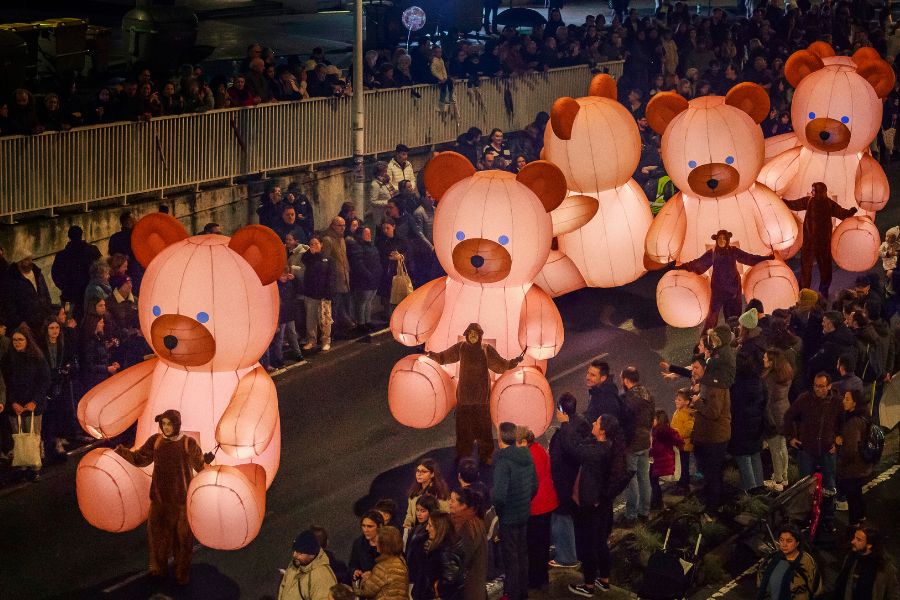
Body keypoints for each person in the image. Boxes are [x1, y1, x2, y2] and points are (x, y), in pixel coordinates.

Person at [114, 410, 213, 585]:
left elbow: (200, 467)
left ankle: (181, 573)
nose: (166, 428)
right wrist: (122, 452)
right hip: (159, 500)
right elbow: (140, 459)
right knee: (157, 536)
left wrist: (206, 460)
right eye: (163, 424)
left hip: (181, 502)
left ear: (177, 425)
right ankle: (158, 569)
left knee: (182, 539)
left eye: (169, 424)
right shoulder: (156, 441)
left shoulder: (188, 444)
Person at [427, 323, 523, 464]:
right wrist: (432, 355)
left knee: (484, 429)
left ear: (480, 336)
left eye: (475, 333)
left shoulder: (486, 349)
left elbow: (500, 365)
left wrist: (513, 362)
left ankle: (486, 455)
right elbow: (444, 357)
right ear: (466, 334)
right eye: (470, 333)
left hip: (481, 399)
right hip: (464, 399)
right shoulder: (461, 347)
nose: (472, 335)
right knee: (463, 430)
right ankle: (463, 454)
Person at [569, 414, 630, 597]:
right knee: (600, 543)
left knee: (589, 545)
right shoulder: (609, 447)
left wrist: (566, 425)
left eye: (596, 423)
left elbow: (574, 450)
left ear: (602, 431)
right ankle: (604, 579)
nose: (593, 424)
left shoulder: (599, 450)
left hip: (591, 504)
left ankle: (588, 585)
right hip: (602, 504)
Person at [678, 229, 773, 329]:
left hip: (733, 290)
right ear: (716, 240)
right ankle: (707, 338)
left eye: (724, 238)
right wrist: (683, 267)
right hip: (718, 290)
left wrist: (765, 258)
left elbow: (749, 258)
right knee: (712, 317)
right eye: (720, 238)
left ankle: (735, 334)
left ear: (727, 240)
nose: (722, 240)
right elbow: (699, 263)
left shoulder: (733, 251)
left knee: (734, 316)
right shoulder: (713, 253)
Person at [782, 182, 858, 296]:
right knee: (818, 268)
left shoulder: (816, 202)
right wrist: (852, 211)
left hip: (816, 243)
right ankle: (815, 291)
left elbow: (842, 213)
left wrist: (851, 211)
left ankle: (809, 291)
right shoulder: (817, 202)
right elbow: (842, 213)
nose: (812, 192)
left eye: (813, 190)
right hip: (817, 243)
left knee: (815, 268)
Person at [782, 373, 842, 514]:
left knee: (829, 486)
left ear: (829, 386)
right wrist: (791, 437)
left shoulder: (837, 402)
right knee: (805, 486)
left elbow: (843, 423)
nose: (817, 389)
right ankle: (806, 515)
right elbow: (788, 416)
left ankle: (827, 517)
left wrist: (838, 441)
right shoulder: (805, 399)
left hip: (827, 450)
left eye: (821, 386)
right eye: (815, 386)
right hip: (807, 450)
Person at [691, 328, 735, 518]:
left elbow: (714, 412)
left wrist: (697, 402)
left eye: (696, 369)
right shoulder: (713, 379)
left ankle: (712, 510)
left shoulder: (714, 384)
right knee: (712, 475)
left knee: (713, 476)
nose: (693, 371)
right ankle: (714, 504)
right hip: (710, 436)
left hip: (714, 437)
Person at [492, 422, 537, 600]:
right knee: (522, 554)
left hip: (509, 517)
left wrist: (501, 511)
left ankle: (511, 593)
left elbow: (499, 496)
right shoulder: (526, 454)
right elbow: (534, 486)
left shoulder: (502, 460)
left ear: (501, 437)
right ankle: (522, 592)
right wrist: (524, 502)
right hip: (524, 513)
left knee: (510, 558)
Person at [1, 326, 51, 481]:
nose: (17, 343)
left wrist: (34, 401)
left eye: (20, 339)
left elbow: (44, 381)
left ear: (27, 340)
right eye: (15, 340)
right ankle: (22, 464)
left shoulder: (37, 358)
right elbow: (6, 383)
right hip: (15, 406)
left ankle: (35, 466)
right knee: (19, 436)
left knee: (33, 434)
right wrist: (13, 402)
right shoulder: (8, 359)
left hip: (33, 405)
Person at [548, 393, 587, 569]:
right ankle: (576, 551)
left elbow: (559, 458)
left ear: (561, 410)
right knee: (573, 518)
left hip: (564, 482)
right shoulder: (582, 424)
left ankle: (566, 557)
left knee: (562, 518)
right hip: (576, 480)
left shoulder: (565, 432)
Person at [523, 427, 558, 590]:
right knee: (542, 543)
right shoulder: (539, 449)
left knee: (535, 544)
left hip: (538, 505)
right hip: (547, 501)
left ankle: (535, 579)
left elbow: (530, 483)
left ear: (524, 441)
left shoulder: (530, 455)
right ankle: (542, 576)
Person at [621, 366, 654, 524]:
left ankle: (631, 515)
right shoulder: (647, 393)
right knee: (644, 477)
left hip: (632, 443)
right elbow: (652, 415)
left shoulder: (627, 398)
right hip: (645, 440)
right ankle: (644, 512)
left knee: (631, 479)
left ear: (626, 380)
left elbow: (625, 422)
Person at [40, 317, 78, 456]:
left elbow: (70, 359)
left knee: (59, 413)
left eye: (57, 328)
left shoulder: (63, 343)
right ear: (46, 329)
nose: (55, 331)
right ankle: (44, 444)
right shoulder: (41, 345)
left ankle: (57, 441)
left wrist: (66, 369)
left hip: (61, 382)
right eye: (51, 328)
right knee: (47, 415)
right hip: (47, 383)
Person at [836, 389, 874, 527]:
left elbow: (851, 449)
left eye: (847, 399)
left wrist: (841, 462)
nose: (843, 401)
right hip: (863, 465)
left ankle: (854, 526)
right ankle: (862, 519)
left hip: (853, 468)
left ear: (855, 403)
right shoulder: (864, 416)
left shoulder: (853, 422)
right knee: (858, 494)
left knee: (853, 498)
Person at [756, 524, 822, 600]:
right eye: (781, 540)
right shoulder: (772, 558)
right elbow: (761, 581)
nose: (784, 544)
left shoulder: (807, 562)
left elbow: (816, 588)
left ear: (797, 543)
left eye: (789, 541)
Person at [834, 527, 900, 600]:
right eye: (854, 537)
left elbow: (894, 592)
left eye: (858, 540)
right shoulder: (851, 556)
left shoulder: (883, 567)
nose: (853, 541)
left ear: (869, 545)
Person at [51, 226, 101, 323]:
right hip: (89, 293)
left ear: (69, 237)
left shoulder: (62, 255)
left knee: (70, 321)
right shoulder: (92, 250)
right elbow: (100, 270)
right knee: (90, 321)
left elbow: (56, 275)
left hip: (70, 294)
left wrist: (64, 287)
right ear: (81, 235)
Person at [448, 487, 488, 600]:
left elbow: (462, 558)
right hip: (474, 585)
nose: (449, 503)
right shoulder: (473, 521)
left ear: (464, 505)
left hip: (469, 588)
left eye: (453, 500)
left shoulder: (468, 526)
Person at [762, 349, 793, 493]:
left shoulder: (770, 379)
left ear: (772, 362)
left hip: (774, 416)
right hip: (785, 412)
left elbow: (767, 403)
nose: (763, 359)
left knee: (775, 449)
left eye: (766, 358)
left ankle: (778, 480)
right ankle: (784, 476)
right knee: (782, 446)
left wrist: (768, 421)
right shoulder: (785, 374)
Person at [278, 529, 338, 600]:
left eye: (300, 553)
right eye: (294, 550)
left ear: (311, 554)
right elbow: (283, 587)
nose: (294, 555)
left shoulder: (322, 578)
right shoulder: (296, 563)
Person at [355, 526, 409, 600]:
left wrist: (366, 578)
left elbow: (367, 591)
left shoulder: (383, 567)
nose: (376, 544)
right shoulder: (400, 560)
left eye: (377, 541)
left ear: (384, 544)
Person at [422, 511, 466, 600]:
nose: (427, 528)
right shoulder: (452, 544)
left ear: (439, 528)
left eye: (430, 525)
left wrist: (437, 588)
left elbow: (450, 579)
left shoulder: (445, 550)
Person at [3, 254, 52, 333]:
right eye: (26, 260)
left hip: (44, 320)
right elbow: (9, 304)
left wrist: (49, 313)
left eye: (31, 259)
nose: (30, 262)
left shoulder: (38, 273)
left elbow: (46, 294)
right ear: (19, 262)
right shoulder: (12, 280)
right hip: (27, 325)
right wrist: (19, 322)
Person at [321, 217, 354, 331]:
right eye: (340, 225)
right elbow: (325, 259)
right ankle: (334, 330)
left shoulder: (341, 239)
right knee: (335, 306)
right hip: (335, 279)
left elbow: (344, 258)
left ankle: (344, 326)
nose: (343, 228)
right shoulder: (328, 240)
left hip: (344, 277)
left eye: (344, 225)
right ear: (333, 226)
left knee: (343, 304)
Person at [302, 237, 334, 352]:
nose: (314, 245)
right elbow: (303, 259)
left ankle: (326, 340)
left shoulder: (327, 259)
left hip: (323, 295)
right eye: (311, 244)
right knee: (310, 319)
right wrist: (309, 252)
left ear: (321, 244)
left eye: (316, 243)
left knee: (325, 320)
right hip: (310, 293)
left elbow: (330, 277)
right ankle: (312, 340)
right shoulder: (308, 258)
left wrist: (328, 293)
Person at [348, 227, 382, 332]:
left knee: (368, 301)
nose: (369, 236)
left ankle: (368, 321)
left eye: (369, 233)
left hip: (373, 279)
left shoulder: (372, 247)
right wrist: (368, 275)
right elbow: (358, 264)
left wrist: (378, 273)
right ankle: (361, 324)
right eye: (366, 234)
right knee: (362, 302)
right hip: (364, 280)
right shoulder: (358, 247)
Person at [407, 494, 440, 599]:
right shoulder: (414, 529)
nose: (419, 514)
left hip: (424, 578)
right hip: (412, 574)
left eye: (423, 511)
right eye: (417, 510)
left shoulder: (432, 532)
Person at [649, 409, 683, 510]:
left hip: (660, 463)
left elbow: (657, 449)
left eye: (654, 419)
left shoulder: (658, 432)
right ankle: (657, 502)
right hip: (665, 461)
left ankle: (656, 503)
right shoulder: (667, 430)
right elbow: (678, 440)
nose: (652, 421)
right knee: (653, 481)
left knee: (653, 481)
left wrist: (648, 453)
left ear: (659, 420)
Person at [403, 458, 450, 530]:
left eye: (423, 471)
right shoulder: (414, 492)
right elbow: (410, 514)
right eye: (418, 471)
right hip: (416, 530)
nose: (419, 474)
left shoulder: (439, 493)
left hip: (434, 530)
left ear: (432, 474)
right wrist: (407, 526)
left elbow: (444, 514)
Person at [671, 387, 695, 495]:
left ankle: (684, 486)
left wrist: (675, 434)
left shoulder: (689, 414)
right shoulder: (678, 411)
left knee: (683, 466)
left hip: (684, 446)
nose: (676, 401)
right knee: (679, 466)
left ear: (687, 402)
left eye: (679, 400)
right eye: (676, 399)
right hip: (677, 444)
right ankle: (681, 484)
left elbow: (687, 431)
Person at [349, 510, 384, 581]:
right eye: (363, 526)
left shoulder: (388, 543)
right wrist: (355, 571)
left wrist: (373, 575)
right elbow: (353, 564)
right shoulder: (359, 543)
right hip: (366, 587)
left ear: (379, 526)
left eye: (370, 526)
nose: (366, 530)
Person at [584, 360, 620, 424]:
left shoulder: (607, 398)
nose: (587, 377)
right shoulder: (596, 391)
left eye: (592, 375)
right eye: (588, 373)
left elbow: (608, 426)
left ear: (603, 378)